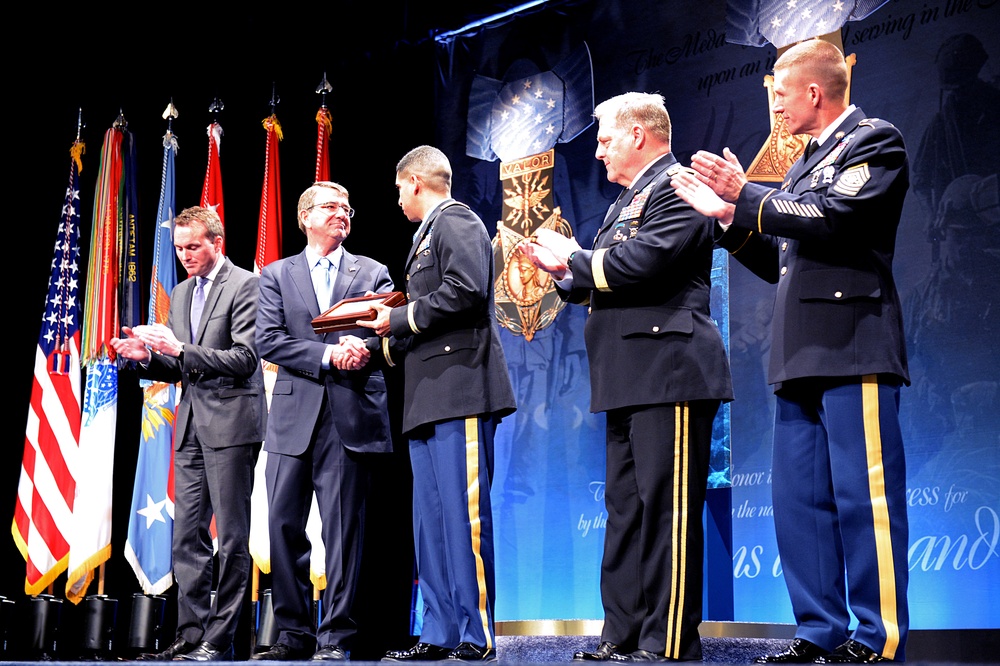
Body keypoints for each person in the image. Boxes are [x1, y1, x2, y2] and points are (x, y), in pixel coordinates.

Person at [670, 38, 910, 664]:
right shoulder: (803, 162)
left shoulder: (874, 141)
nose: (774, 107)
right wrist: (728, 219)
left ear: (812, 92)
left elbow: (838, 217)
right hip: (798, 353)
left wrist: (745, 196)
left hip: (852, 345)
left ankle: (876, 640)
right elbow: (783, 255)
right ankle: (819, 632)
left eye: (779, 95)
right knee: (799, 506)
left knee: (864, 499)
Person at [520, 91, 733, 663]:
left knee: (668, 513)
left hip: (671, 370)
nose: (596, 152)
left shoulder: (679, 186)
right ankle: (622, 636)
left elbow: (645, 263)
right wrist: (561, 269)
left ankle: (665, 646)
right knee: (626, 510)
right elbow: (605, 273)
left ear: (639, 135)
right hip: (625, 372)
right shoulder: (630, 197)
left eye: (606, 139)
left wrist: (574, 258)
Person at [356, 145, 516, 663]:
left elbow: (467, 290)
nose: (397, 197)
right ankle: (441, 630)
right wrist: (378, 339)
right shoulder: (424, 235)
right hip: (427, 395)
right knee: (430, 522)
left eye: (399, 187)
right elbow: (422, 315)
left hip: (461, 387)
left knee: (463, 517)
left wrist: (397, 320)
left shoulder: (456, 220)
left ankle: (477, 633)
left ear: (417, 181)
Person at [111, 206, 266, 661]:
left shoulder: (246, 286)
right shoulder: (180, 293)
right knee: (187, 537)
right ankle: (191, 632)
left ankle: (221, 638)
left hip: (234, 424)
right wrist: (145, 357)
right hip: (191, 426)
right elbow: (181, 366)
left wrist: (181, 348)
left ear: (216, 241)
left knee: (233, 537)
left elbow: (244, 359)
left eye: (193, 246)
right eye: (178, 248)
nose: (184, 255)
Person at [250, 182, 394, 661]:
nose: (343, 213)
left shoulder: (372, 271)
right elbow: (268, 339)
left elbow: (389, 330)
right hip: (293, 415)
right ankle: (294, 634)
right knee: (283, 525)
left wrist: (364, 349)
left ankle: (336, 637)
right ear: (305, 217)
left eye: (348, 208)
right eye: (332, 207)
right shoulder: (275, 275)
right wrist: (330, 354)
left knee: (343, 532)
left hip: (349, 416)